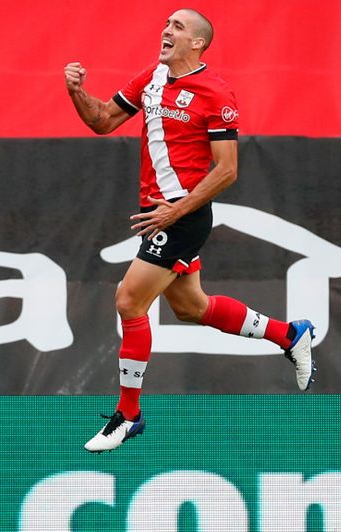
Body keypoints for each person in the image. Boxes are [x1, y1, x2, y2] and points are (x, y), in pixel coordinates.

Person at [64, 8, 315, 452]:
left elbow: (227, 171)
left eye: (177, 27)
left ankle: (129, 414)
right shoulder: (152, 76)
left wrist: (175, 212)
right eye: (166, 24)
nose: (166, 31)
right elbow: (102, 121)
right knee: (192, 308)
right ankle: (289, 334)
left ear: (197, 42)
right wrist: (77, 91)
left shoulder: (216, 93)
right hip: (158, 214)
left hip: (183, 217)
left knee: (128, 299)